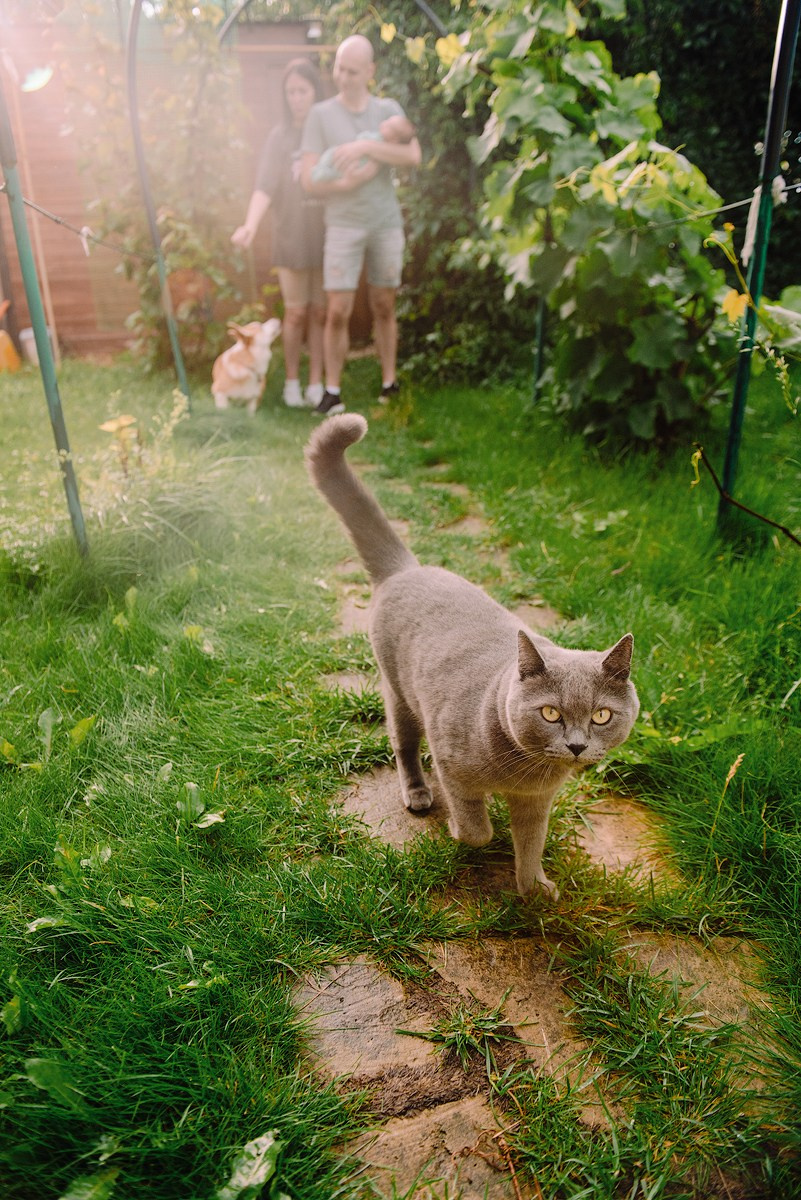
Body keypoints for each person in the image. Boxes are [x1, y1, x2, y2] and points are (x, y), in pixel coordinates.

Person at [301, 34, 421, 415]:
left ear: (370, 71)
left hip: (385, 222)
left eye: (352, 71)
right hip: (343, 224)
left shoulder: (387, 110)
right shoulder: (320, 115)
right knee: (337, 308)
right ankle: (332, 391)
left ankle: (389, 382)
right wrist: (345, 182)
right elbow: (308, 178)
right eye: (339, 68)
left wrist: (366, 148)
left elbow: (413, 154)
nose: (343, 77)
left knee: (384, 303)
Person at [231, 58, 326, 409]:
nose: (296, 98)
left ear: (315, 91)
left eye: (303, 90)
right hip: (290, 236)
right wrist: (250, 225)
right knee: (296, 313)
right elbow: (264, 187)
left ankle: (317, 384)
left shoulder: (326, 131)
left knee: (320, 313)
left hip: (326, 235)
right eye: (291, 92)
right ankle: (291, 383)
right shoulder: (278, 138)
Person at [311, 113, 416, 183]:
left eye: (389, 126)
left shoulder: (379, 140)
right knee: (335, 162)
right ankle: (322, 171)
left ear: (395, 139)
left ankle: (321, 172)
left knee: (333, 158)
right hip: (353, 163)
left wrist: (364, 145)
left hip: (354, 164)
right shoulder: (385, 147)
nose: (384, 123)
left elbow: (362, 139)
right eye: (387, 120)